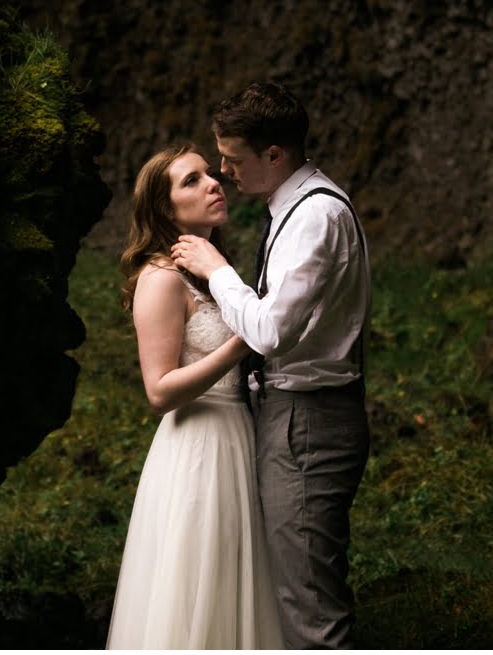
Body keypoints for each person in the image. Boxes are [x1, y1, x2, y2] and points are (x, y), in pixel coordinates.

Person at [171, 82, 372, 649]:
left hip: (308, 422)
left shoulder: (314, 217)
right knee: (293, 589)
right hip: (296, 415)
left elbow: (270, 330)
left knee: (310, 607)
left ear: (275, 155)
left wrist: (216, 270)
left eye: (233, 160)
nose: (224, 172)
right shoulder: (294, 207)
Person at [105, 143, 284, 650]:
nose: (213, 183)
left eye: (210, 173)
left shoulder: (210, 272)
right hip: (198, 447)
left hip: (238, 436)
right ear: (165, 209)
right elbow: (159, 391)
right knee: (199, 582)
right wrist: (241, 344)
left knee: (236, 580)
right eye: (192, 180)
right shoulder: (161, 279)